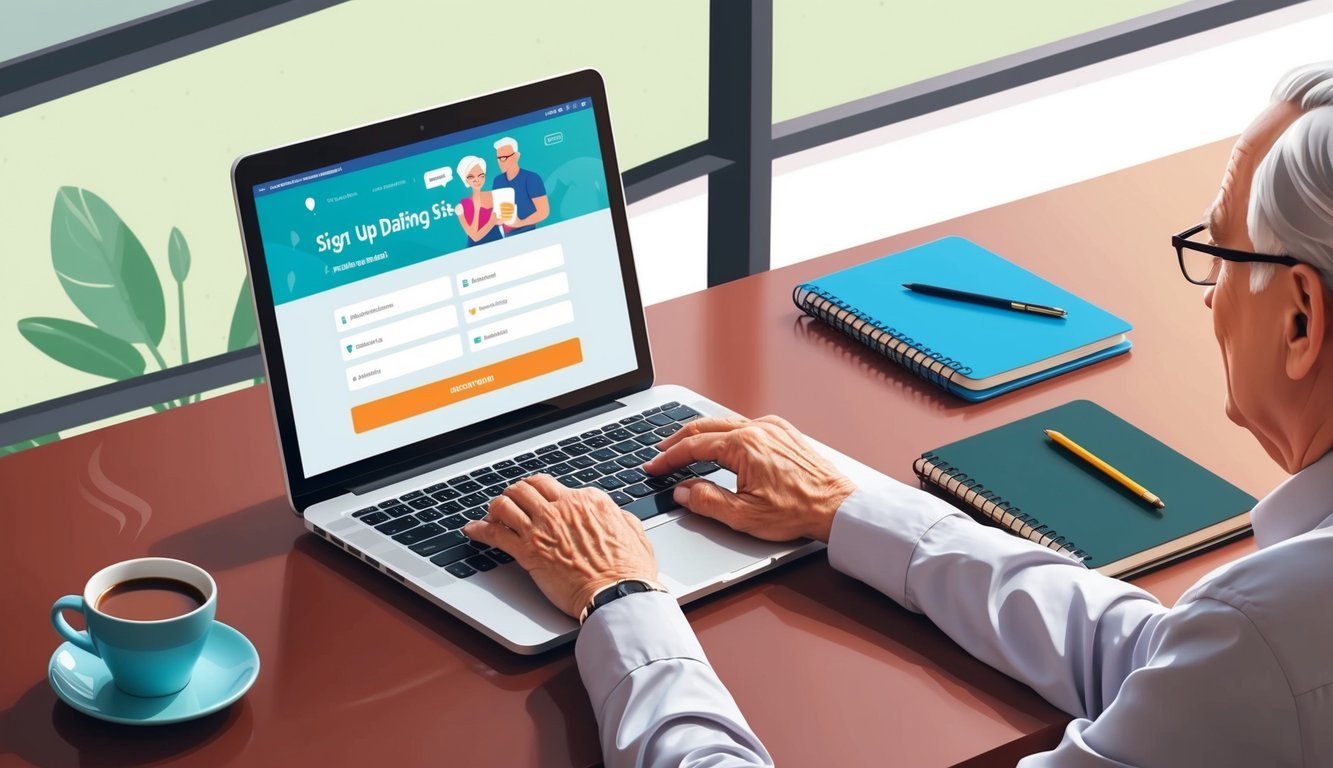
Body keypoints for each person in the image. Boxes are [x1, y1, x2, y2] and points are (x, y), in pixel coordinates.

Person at [464, 62, 1333, 767]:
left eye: (1216, 251)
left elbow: (1228, 663)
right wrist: (851, 507)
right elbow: (1169, 664)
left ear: (1299, 319)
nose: (1210, 297)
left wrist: (621, 602)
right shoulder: (1265, 636)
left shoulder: (1268, 632)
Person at [490, 136, 549, 235]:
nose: (500, 162)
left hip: (530, 234)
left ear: (516, 156)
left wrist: (520, 223)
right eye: (498, 158)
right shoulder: (497, 181)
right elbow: (496, 213)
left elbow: (543, 211)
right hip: (506, 238)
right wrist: (497, 220)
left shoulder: (531, 178)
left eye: (504, 158)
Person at [454, 155, 502, 247]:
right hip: (476, 250)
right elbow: (475, 237)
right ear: (466, 180)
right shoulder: (462, 206)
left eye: (481, 176)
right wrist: (492, 221)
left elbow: (503, 220)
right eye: (471, 177)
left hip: (498, 243)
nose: (477, 180)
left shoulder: (493, 195)